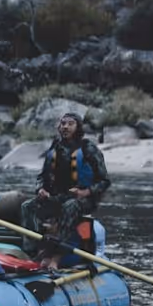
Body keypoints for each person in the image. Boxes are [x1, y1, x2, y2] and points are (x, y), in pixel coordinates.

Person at [36, 110, 111, 260]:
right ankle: (34, 250)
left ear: (78, 128)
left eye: (70, 124)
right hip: (58, 196)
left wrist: (86, 192)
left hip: (84, 199)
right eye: (63, 123)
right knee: (27, 206)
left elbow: (104, 181)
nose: (65, 127)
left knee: (69, 207)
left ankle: (56, 257)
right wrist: (40, 189)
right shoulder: (55, 146)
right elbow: (42, 176)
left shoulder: (88, 148)